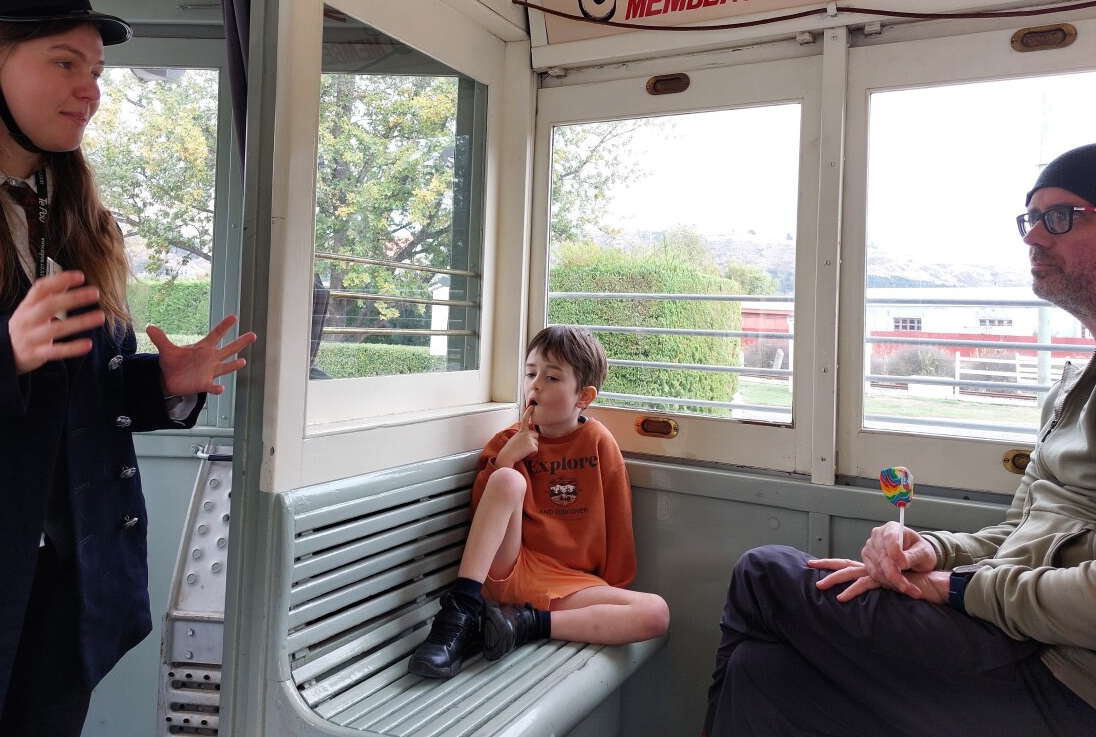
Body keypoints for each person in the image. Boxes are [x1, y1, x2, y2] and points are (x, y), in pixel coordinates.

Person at [0, 0, 256, 736]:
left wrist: (163, 386)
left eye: (96, 70)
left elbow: (82, 390)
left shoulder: (78, 215)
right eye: (63, 62)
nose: (89, 90)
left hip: (72, 585)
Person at [701, 143, 1096, 736]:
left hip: (1060, 675)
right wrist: (931, 551)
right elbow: (1015, 532)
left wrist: (957, 590)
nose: (1034, 237)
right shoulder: (1071, 392)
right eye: (1029, 219)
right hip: (1003, 626)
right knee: (763, 672)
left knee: (763, 574)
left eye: (1059, 217)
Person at [407, 324, 669, 679]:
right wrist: (506, 460)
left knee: (656, 613)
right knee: (506, 479)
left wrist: (611, 590)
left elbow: (618, 520)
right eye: (531, 374)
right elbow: (483, 520)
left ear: (583, 397)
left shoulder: (598, 443)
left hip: (568, 586)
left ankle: (524, 625)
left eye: (552, 378)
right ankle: (460, 614)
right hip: (509, 569)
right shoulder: (507, 441)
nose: (535, 385)